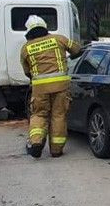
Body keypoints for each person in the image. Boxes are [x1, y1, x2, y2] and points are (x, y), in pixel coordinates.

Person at [19, 15, 83, 158]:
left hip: (39, 88)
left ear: (28, 31)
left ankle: (36, 142)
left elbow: (26, 71)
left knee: (39, 114)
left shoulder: (26, 48)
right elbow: (77, 49)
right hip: (61, 86)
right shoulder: (59, 39)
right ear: (45, 27)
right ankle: (56, 150)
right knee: (58, 116)